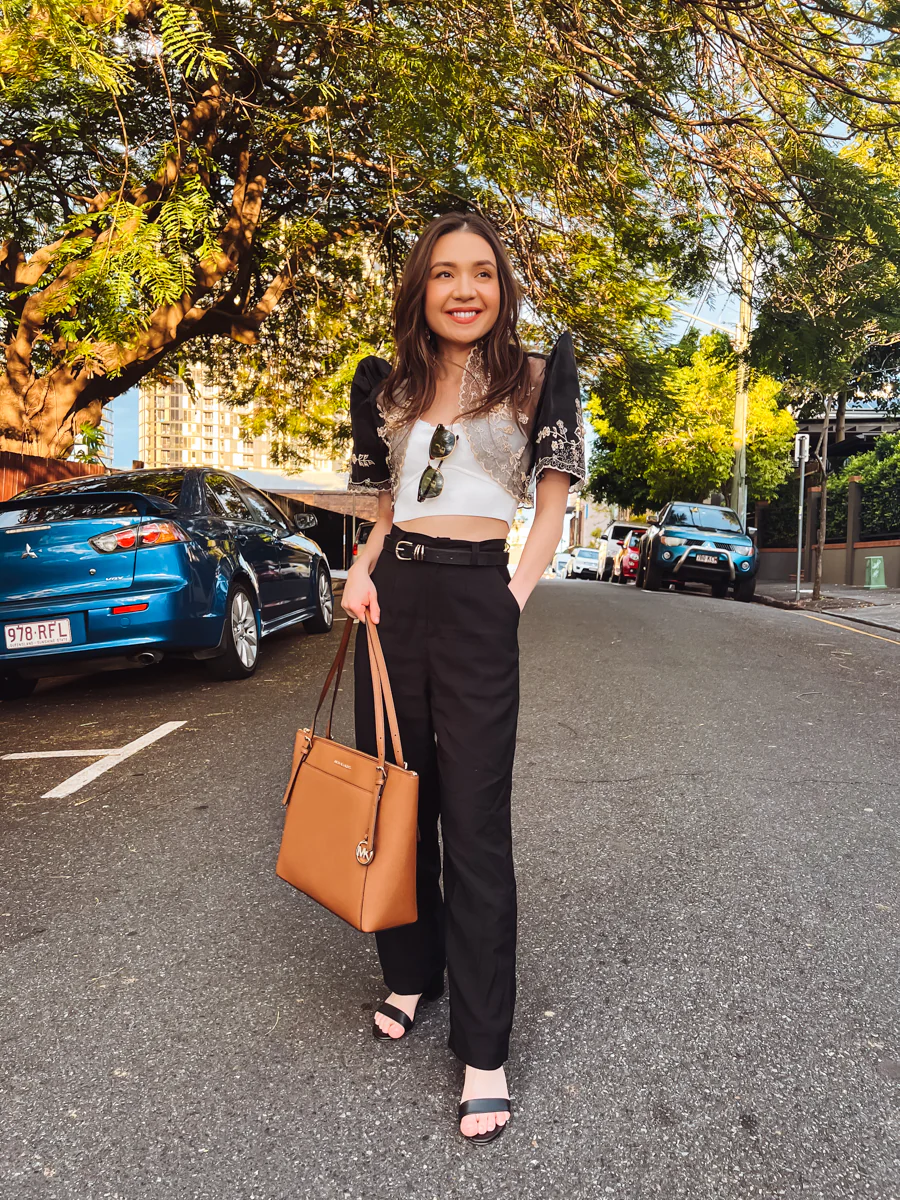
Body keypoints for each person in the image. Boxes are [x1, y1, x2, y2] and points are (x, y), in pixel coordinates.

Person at [342, 211, 584, 1144]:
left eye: (481, 272)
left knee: (475, 821)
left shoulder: (534, 380)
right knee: (399, 798)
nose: (464, 289)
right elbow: (382, 504)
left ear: (502, 286)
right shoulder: (388, 384)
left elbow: (550, 510)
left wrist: (512, 598)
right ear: (421, 288)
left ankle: (485, 1048)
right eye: (444, 274)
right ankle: (411, 971)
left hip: (481, 595)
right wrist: (362, 571)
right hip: (391, 596)